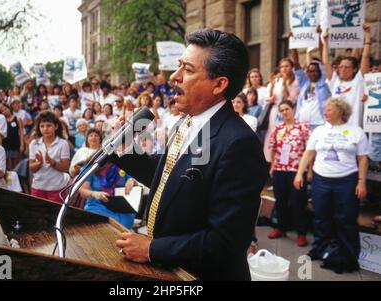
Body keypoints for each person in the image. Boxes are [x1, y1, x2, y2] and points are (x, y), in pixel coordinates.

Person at [112, 29, 266, 280]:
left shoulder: (239, 144)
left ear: (219, 84)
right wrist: (127, 150)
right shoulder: (187, 123)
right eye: (179, 66)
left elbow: (225, 242)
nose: (175, 76)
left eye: (188, 69)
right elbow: (173, 179)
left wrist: (152, 249)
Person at [294, 98, 369, 273]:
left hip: (347, 181)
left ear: (340, 111)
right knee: (321, 216)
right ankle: (320, 249)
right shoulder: (319, 130)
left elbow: (363, 159)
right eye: (325, 109)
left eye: (328, 109)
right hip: (321, 180)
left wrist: (362, 182)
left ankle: (349, 256)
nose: (325, 112)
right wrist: (299, 173)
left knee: (346, 219)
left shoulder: (356, 131)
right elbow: (309, 152)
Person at [268, 100, 311, 246]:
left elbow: (309, 151)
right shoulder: (278, 129)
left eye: (287, 109)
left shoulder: (303, 128)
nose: (284, 112)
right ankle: (281, 228)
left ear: (293, 109)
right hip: (280, 170)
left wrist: (310, 170)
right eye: (282, 110)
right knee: (280, 202)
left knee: (298, 203)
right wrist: (272, 167)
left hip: (297, 171)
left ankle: (301, 233)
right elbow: (273, 149)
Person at [322, 24, 371, 127]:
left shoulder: (359, 80)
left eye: (346, 67)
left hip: (353, 127)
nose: (342, 69)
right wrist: (325, 42)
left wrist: (367, 34)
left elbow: (365, 57)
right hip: (333, 126)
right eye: (340, 67)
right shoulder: (335, 81)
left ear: (354, 69)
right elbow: (326, 63)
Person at [78, 162, 138, 229]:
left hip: (122, 206)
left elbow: (134, 181)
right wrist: (94, 194)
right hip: (97, 205)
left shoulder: (123, 164)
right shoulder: (91, 166)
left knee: (124, 229)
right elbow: (82, 190)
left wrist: (132, 180)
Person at [29, 111, 70, 203]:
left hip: (57, 188)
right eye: (42, 126)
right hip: (38, 187)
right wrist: (39, 163)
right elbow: (31, 168)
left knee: (54, 216)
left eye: (48, 125)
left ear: (56, 126)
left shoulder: (63, 143)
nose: (45, 129)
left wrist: (52, 162)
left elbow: (65, 167)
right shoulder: (34, 144)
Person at [291, 48, 330, 130]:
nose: (312, 73)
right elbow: (295, 63)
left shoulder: (324, 82)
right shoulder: (304, 82)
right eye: (310, 71)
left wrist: (321, 39)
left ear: (320, 72)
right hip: (302, 123)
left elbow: (324, 62)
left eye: (315, 71)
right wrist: (293, 47)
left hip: (320, 124)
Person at [0, 104, 25, 170]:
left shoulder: (18, 119)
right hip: (5, 144)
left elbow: (21, 132)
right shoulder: (2, 121)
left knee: (16, 164)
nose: (5, 111)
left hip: (15, 144)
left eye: (6, 109)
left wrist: (22, 144)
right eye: (2, 111)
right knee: (6, 165)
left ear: (9, 108)